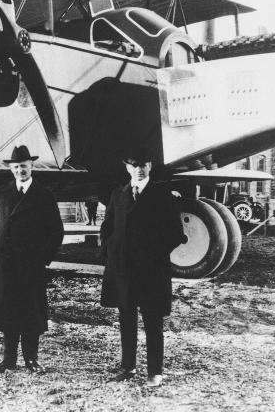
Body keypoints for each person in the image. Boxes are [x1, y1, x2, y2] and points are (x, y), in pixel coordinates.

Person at [99, 148, 184, 388]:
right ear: (127, 167)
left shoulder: (162, 195)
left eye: (144, 164)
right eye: (134, 164)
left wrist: (152, 254)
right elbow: (107, 229)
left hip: (151, 273)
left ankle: (155, 372)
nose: (139, 168)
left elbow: (176, 234)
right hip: (123, 270)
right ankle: (128, 367)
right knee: (127, 320)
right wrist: (110, 252)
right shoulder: (118, 194)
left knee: (152, 323)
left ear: (150, 166)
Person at [0, 145, 64, 374]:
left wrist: (42, 258)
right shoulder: (2, 193)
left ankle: (31, 359)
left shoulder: (44, 194)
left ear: (32, 166)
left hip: (31, 266)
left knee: (31, 314)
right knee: (8, 313)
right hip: (6, 264)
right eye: (16, 167)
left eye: (24, 166)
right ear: (11, 169)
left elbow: (56, 230)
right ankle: (8, 360)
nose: (20, 171)